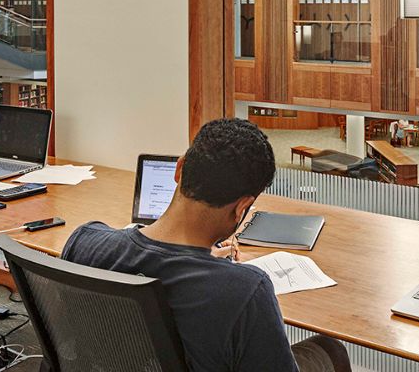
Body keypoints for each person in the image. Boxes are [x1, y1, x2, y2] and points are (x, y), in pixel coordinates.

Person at [62, 118, 351, 372]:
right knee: (330, 349)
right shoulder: (246, 291)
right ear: (242, 208)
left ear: (179, 169)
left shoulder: (84, 242)